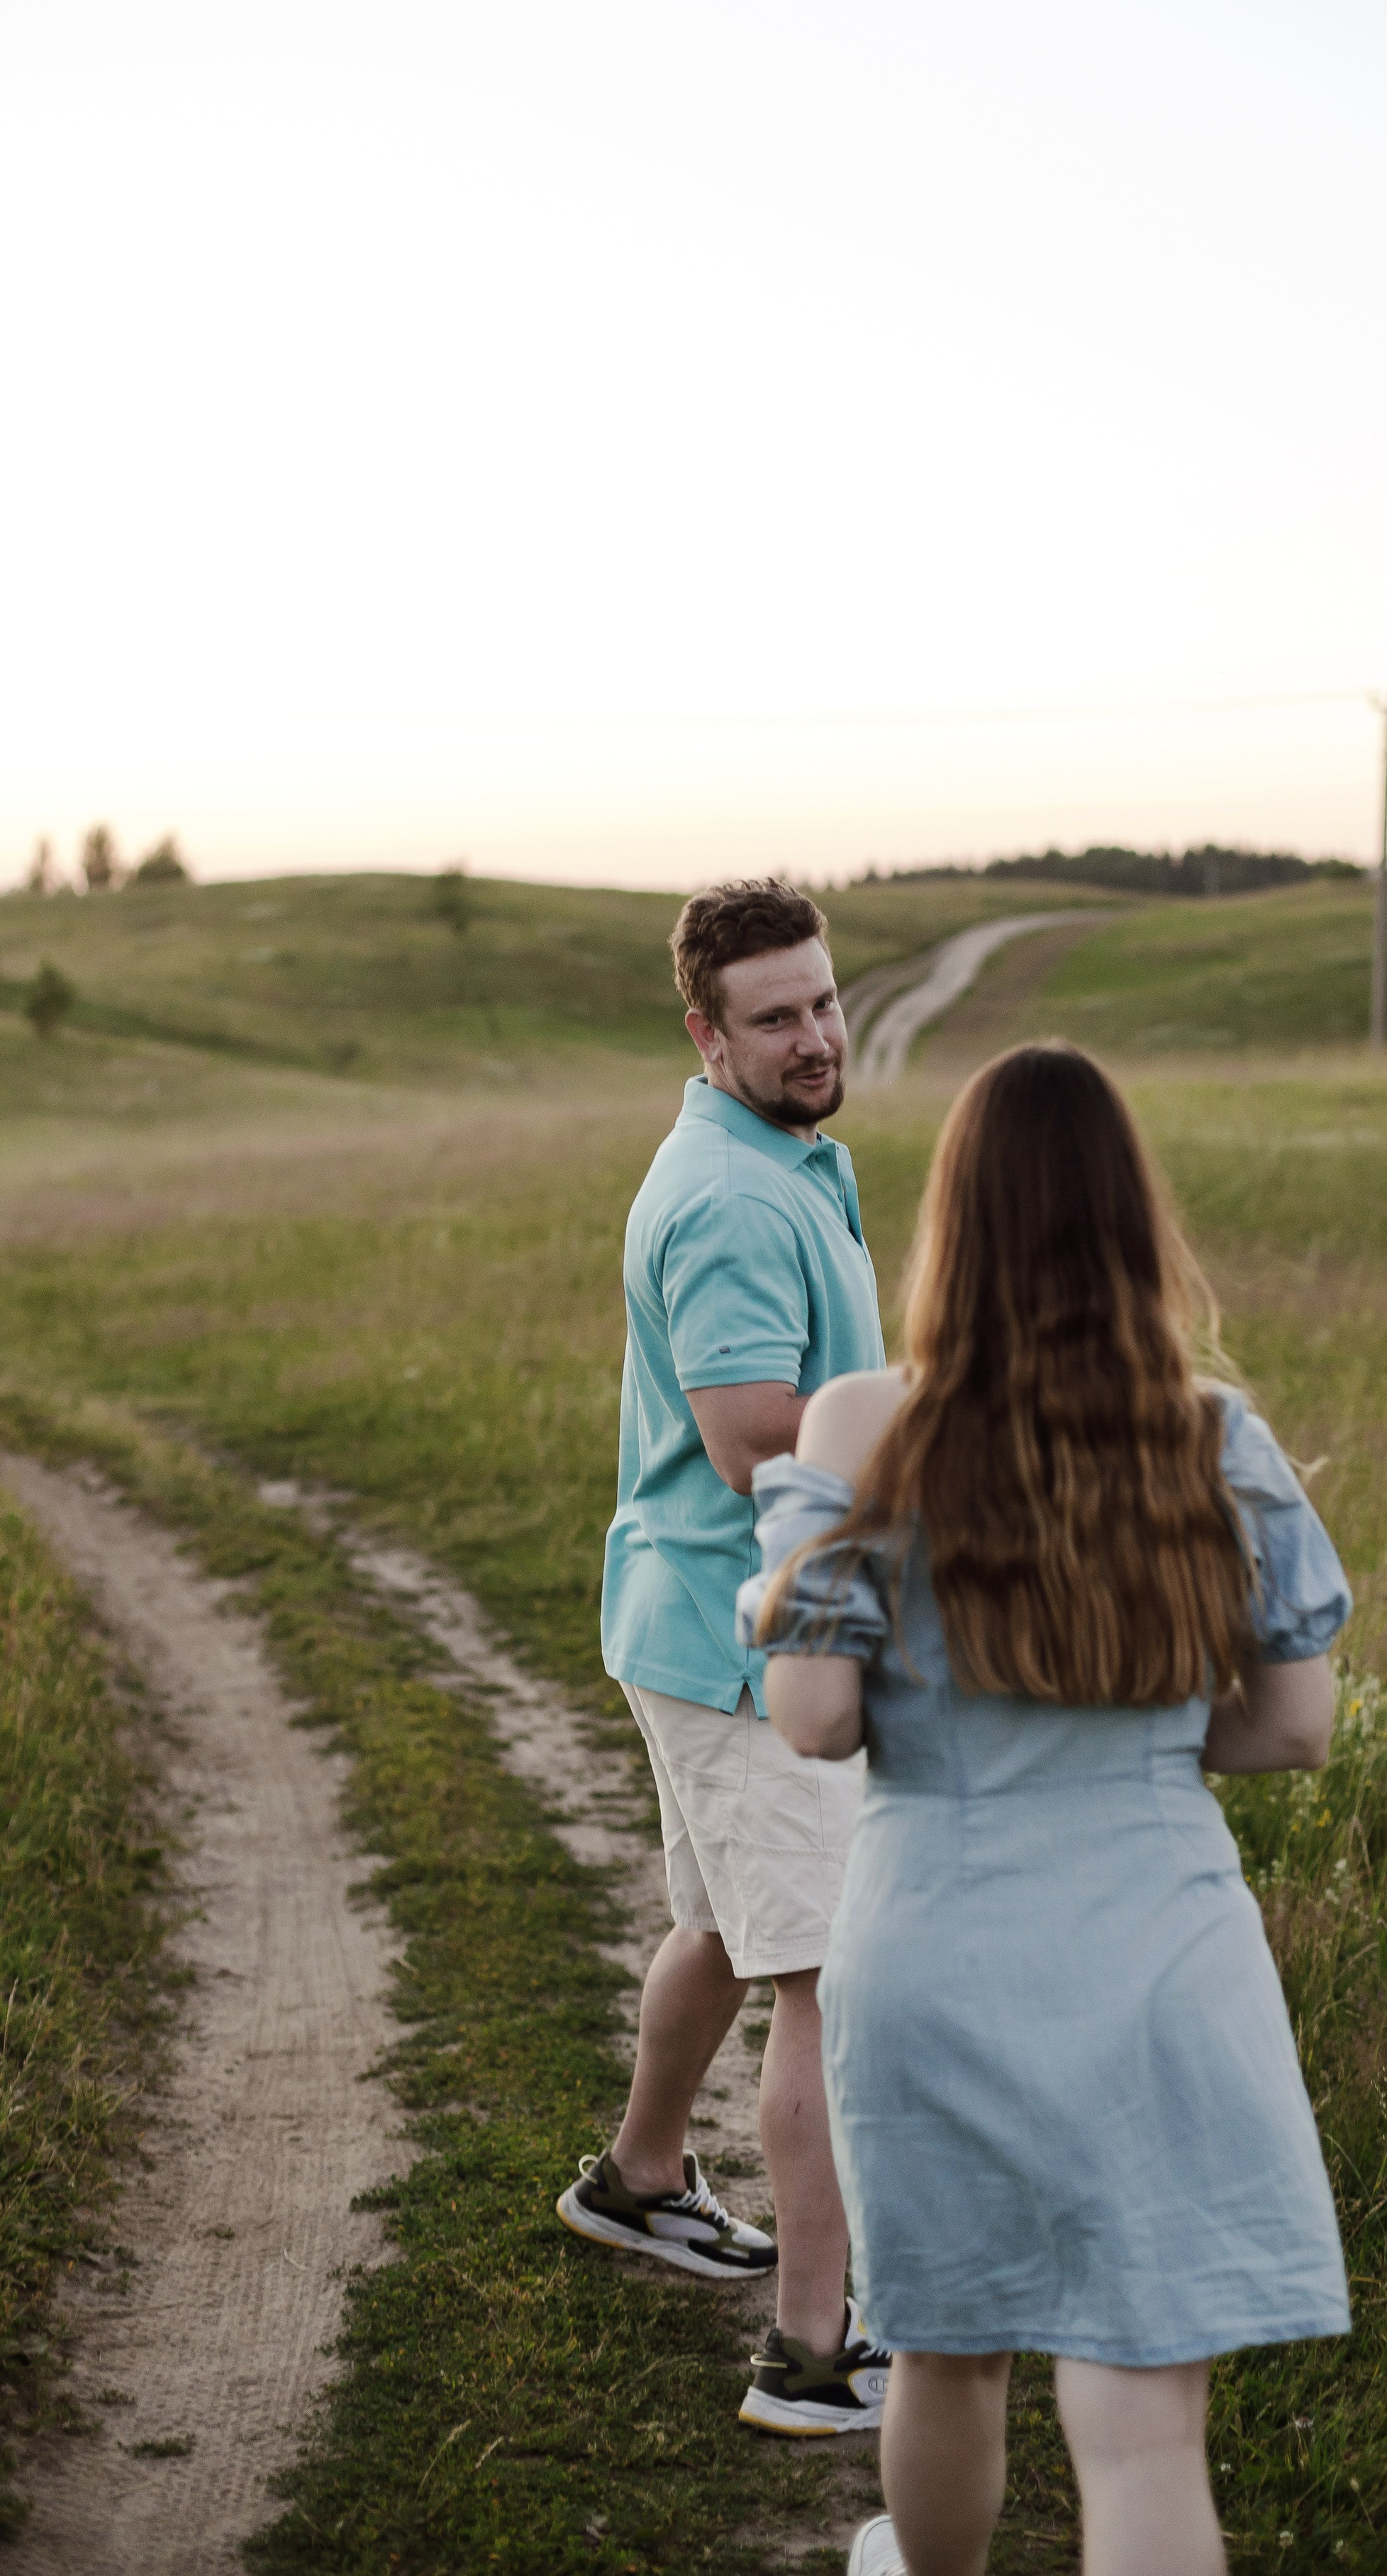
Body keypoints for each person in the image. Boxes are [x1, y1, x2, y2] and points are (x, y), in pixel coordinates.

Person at [735, 1041, 1354, 2576]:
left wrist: (802, 1614)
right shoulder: (1211, 1438)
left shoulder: (862, 1425)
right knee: (1143, 2420)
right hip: (1160, 1945)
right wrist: (1135, 1733)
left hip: (935, 1945)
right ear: (1130, 1222)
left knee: (946, 2347)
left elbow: (814, 1723)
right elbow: (1291, 1731)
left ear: (955, 1219)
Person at [557, 877, 894, 2436]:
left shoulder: (772, 1153)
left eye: (823, 1000)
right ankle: (814, 2353)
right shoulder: (739, 1198)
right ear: (704, 1034)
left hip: (686, 1624)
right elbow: (757, 1432)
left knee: (714, 1921)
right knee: (820, 1979)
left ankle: (635, 2181)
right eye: (775, 1018)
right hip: (740, 1636)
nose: (815, 1036)